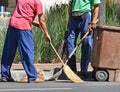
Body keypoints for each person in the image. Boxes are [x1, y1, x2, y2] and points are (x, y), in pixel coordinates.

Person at [1, 0, 51, 83]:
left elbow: (21, 15)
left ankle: (4, 75)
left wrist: (34, 23)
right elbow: (42, 19)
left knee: (8, 51)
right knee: (27, 52)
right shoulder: (37, 2)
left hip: (12, 25)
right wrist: (46, 34)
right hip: (24, 28)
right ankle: (32, 76)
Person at [66, 0, 101, 75]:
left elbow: (96, 6)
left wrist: (93, 21)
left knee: (87, 42)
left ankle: (84, 69)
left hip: (85, 16)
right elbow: (71, 3)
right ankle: (71, 68)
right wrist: (69, 19)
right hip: (73, 16)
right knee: (70, 42)